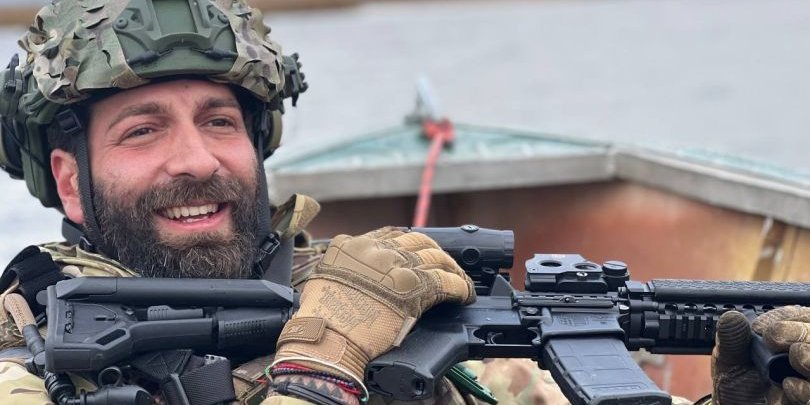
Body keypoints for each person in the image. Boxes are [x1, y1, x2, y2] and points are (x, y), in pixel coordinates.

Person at [0, 1, 805, 404]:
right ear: (70, 180)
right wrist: (322, 364)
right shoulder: (22, 361)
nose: (198, 159)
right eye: (143, 131)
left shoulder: (369, 292)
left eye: (220, 121)